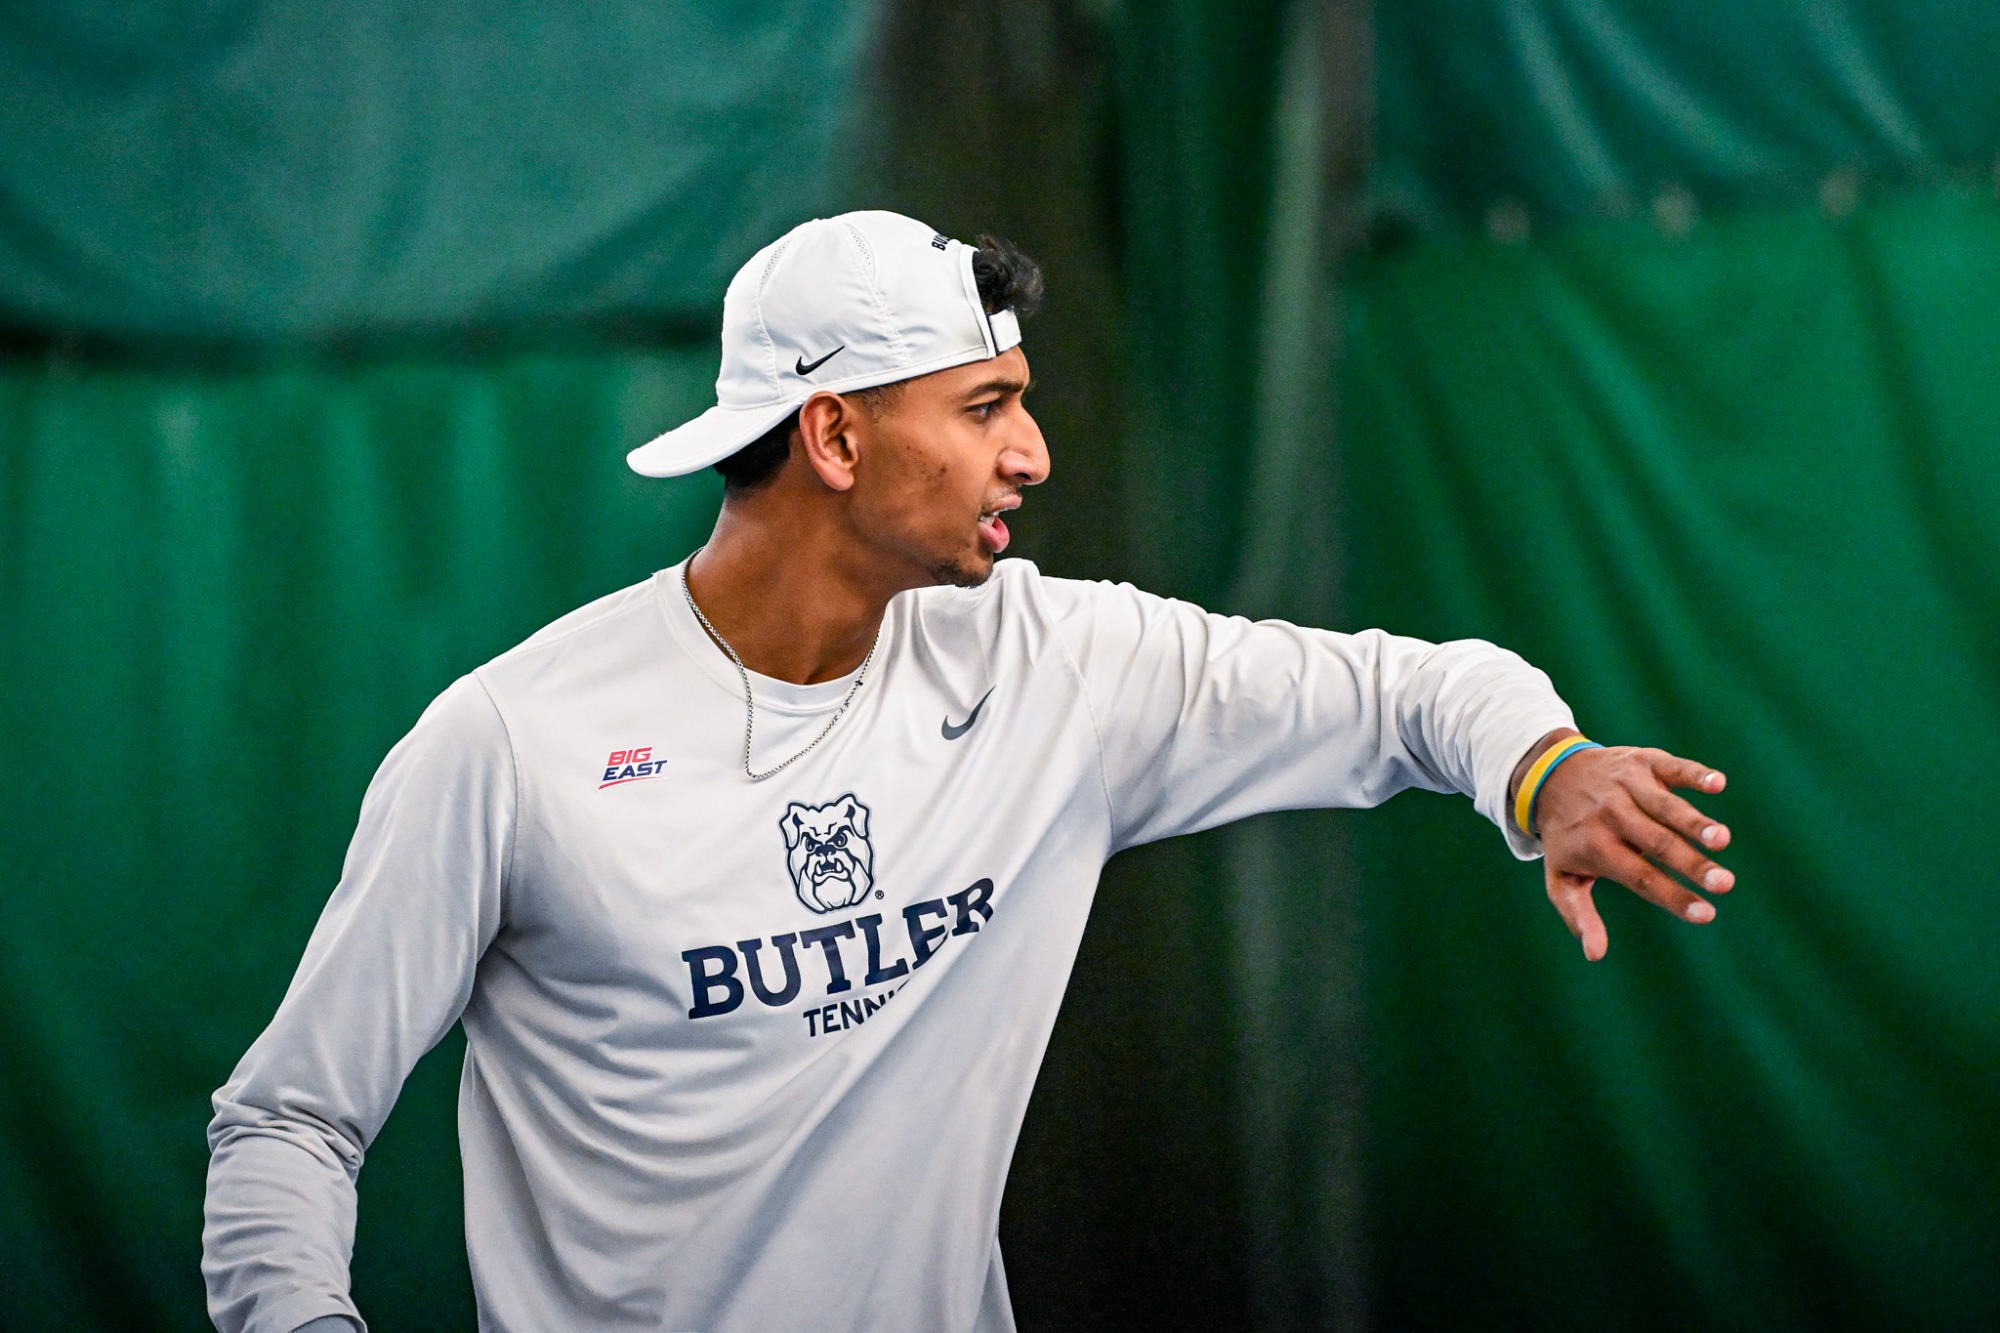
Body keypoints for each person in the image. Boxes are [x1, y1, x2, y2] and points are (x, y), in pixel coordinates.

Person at [202, 210, 1735, 1333]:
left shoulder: (1054, 665)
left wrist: (1547, 769)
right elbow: (288, 1123)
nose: (1037, 453)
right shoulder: (508, 742)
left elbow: (1411, 692)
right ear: (836, 437)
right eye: (988, 407)